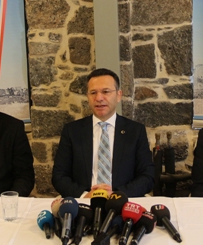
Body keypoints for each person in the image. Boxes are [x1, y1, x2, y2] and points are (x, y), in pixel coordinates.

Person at [52, 68, 154, 198]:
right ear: (87, 96)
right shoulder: (72, 131)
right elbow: (59, 176)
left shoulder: (135, 131)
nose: (99, 98)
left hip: (122, 201)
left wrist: (117, 195)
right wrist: (84, 195)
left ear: (118, 95)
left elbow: (147, 176)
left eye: (106, 92)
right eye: (93, 93)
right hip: (84, 202)